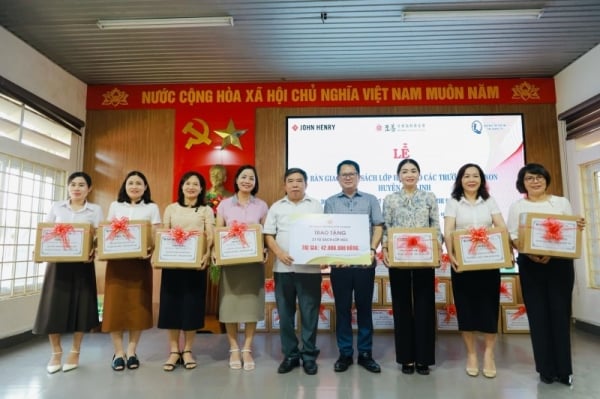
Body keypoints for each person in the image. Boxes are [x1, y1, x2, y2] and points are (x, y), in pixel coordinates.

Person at [507, 163, 585, 386]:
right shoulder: (517, 206)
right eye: (529, 178)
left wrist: (577, 225)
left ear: (546, 179)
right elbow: (513, 235)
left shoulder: (560, 202)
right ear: (522, 183)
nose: (535, 181)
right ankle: (545, 369)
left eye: (539, 177)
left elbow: (570, 230)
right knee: (538, 316)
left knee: (560, 315)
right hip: (530, 265)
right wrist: (530, 253)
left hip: (560, 264)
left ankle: (564, 369)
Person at [33, 172, 103, 374]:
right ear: (68, 187)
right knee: (53, 307)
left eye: (82, 184)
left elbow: (99, 237)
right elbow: (45, 233)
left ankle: (75, 351)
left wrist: (94, 250)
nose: (77, 188)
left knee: (81, 308)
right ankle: (56, 352)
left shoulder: (95, 210)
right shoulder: (57, 207)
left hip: (82, 265)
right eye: (73, 184)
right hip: (57, 264)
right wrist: (38, 250)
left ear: (89, 189)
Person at [444, 163, 509, 379]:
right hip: (463, 264)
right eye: (466, 176)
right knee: (466, 308)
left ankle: (489, 354)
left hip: (487, 263)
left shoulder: (489, 201)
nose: (471, 179)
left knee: (489, 307)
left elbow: (501, 227)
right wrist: (451, 253)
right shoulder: (453, 202)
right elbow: (449, 231)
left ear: (481, 179)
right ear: (460, 179)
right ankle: (471, 354)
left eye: (475, 176)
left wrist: (489, 238)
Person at [381, 159, 442, 375]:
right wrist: (386, 249)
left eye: (413, 170)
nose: (409, 174)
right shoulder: (390, 199)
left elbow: (435, 226)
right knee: (401, 306)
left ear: (419, 174)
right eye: (404, 171)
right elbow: (386, 228)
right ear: (398, 176)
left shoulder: (429, 197)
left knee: (425, 306)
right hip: (399, 259)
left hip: (424, 259)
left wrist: (437, 249)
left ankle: (424, 358)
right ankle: (406, 358)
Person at [324, 160, 383, 373]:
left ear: (359, 177)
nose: (348, 177)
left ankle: (366, 353)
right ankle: (345, 353)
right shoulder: (330, 202)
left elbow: (378, 226)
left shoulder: (370, 200)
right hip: (340, 266)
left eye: (352, 174)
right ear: (338, 178)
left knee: (365, 308)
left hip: (364, 264)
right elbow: (327, 232)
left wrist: (372, 249)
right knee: (342, 310)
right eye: (344, 174)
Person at [264, 168, 324, 375]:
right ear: (284, 185)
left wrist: (324, 256)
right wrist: (279, 253)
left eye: (299, 181)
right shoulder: (276, 207)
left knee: (309, 314)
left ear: (306, 184)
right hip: (283, 269)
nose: (295, 184)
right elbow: (269, 235)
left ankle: (308, 355)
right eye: (291, 181)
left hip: (310, 270)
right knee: (286, 314)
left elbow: (325, 233)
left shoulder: (316, 205)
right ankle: (290, 355)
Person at [101, 170, 161, 371]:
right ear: (125, 186)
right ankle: (118, 352)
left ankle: (133, 351)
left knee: (138, 308)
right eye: (131, 183)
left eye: (139, 183)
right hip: (117, 264)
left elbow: (155, 234)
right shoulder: (115, 206)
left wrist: (150, 249)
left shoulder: (152, 207)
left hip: (140, 264)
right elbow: (106, 231)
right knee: (114, 308)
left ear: (145, 187)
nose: (134, 186)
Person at [157, 171, 214, 371]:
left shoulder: (206, 210)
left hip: (196, 265)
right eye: (187, 183)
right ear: (181, 187)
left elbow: (210, 235)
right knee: (171, 306)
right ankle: (174, 351)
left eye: (195, 184)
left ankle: (188, 350)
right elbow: (164, 233)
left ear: (201, 189)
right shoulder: (171, 209)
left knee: (192, 306)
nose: (191, 187)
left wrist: (207, 255)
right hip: (172, 265)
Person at [215, 165, 268, 371]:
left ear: (255, 182)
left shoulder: (262, 205)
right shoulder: (225, 205)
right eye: (243, 177)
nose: (247, 180)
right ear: (236, 180)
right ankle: (233, 348)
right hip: (231, 264)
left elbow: (266, 234)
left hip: (252, 265)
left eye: (251, 178)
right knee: (230, 305)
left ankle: (247, 348)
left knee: (251, 306)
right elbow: (219, 230)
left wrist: (264, 250)